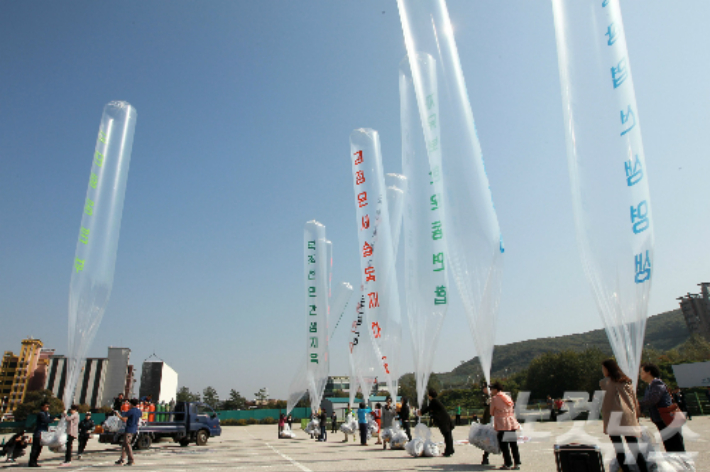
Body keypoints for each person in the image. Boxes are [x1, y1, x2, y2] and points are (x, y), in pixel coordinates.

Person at [600, 359, 648, 472]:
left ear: (607, 369)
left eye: (603, 368)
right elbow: (634, 400)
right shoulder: (627, 382)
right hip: (628, 416)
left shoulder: (605, 382)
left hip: (613, 416)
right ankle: (644, 470)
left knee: (619, 448)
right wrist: (636, 414)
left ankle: (626, 470)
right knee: (634, 447)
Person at [639, 363, 685, 453]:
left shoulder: (657, 383)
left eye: (642, 372)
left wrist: (637, 406)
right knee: (669, 444)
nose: (640, 374)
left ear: (649, 372)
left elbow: (653, 400)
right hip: (661, 418)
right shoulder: (650, 386)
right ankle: (676, 464)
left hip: (667, 418)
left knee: (675, 444)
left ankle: (682, 464)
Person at [490, 382, 521, 470]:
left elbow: (491, 412)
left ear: (496, 389)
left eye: (492, 389)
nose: (491, 391)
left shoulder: (495, 398)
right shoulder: (507, 396)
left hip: (502, 424)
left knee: (504, 445)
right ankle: (517, 463)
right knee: (513, 444)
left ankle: (508, 463)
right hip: (511, 422)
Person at [417, 388, 454, 457]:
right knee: (447, 436)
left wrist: (421, 412)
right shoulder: (435, 401)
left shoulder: (434, 401)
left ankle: (449, 451)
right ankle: (449, 450)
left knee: (447, 436)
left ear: (430, 395)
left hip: (444, 420)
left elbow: (428, 408)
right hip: (445, 420)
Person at [29, 401, 59, 467]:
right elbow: (45, 420)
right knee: (35, 449)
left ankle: (35, 461)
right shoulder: (41, 414)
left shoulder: (47, 413)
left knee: (39, 449)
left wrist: (59, 416)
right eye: (46, 406)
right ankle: (31, 462)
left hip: (43, 433)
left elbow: (52, 417)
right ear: (42, 407)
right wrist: (52, 420)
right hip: (38, 433)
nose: (47, 407)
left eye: (48, 406)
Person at [116, 398, 142, 466]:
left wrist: (118, 415)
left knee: (127, 444)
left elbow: (124, 419)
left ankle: (131, 460)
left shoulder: (131, 411)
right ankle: (122, 459)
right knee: (124, 444)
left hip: (129, 429)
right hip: (135, 428)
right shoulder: (139, 411)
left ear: (131, 404)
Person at [480, 385, 493, 466]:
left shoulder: (495, 397)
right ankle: (485, 458)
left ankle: (508, 460)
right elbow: (484, 404)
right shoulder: (486, 397)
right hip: (488, 422)